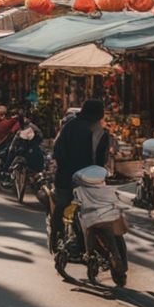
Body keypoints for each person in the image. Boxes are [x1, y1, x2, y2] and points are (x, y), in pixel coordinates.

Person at [49, 99, 111, 252]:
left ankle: (56, 236)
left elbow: (57, 151)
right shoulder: (100, 131)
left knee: (62, 204)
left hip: (69, 177)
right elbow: (102, 160)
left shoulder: (70, 126)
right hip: (90, 181)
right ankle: (61, 236)